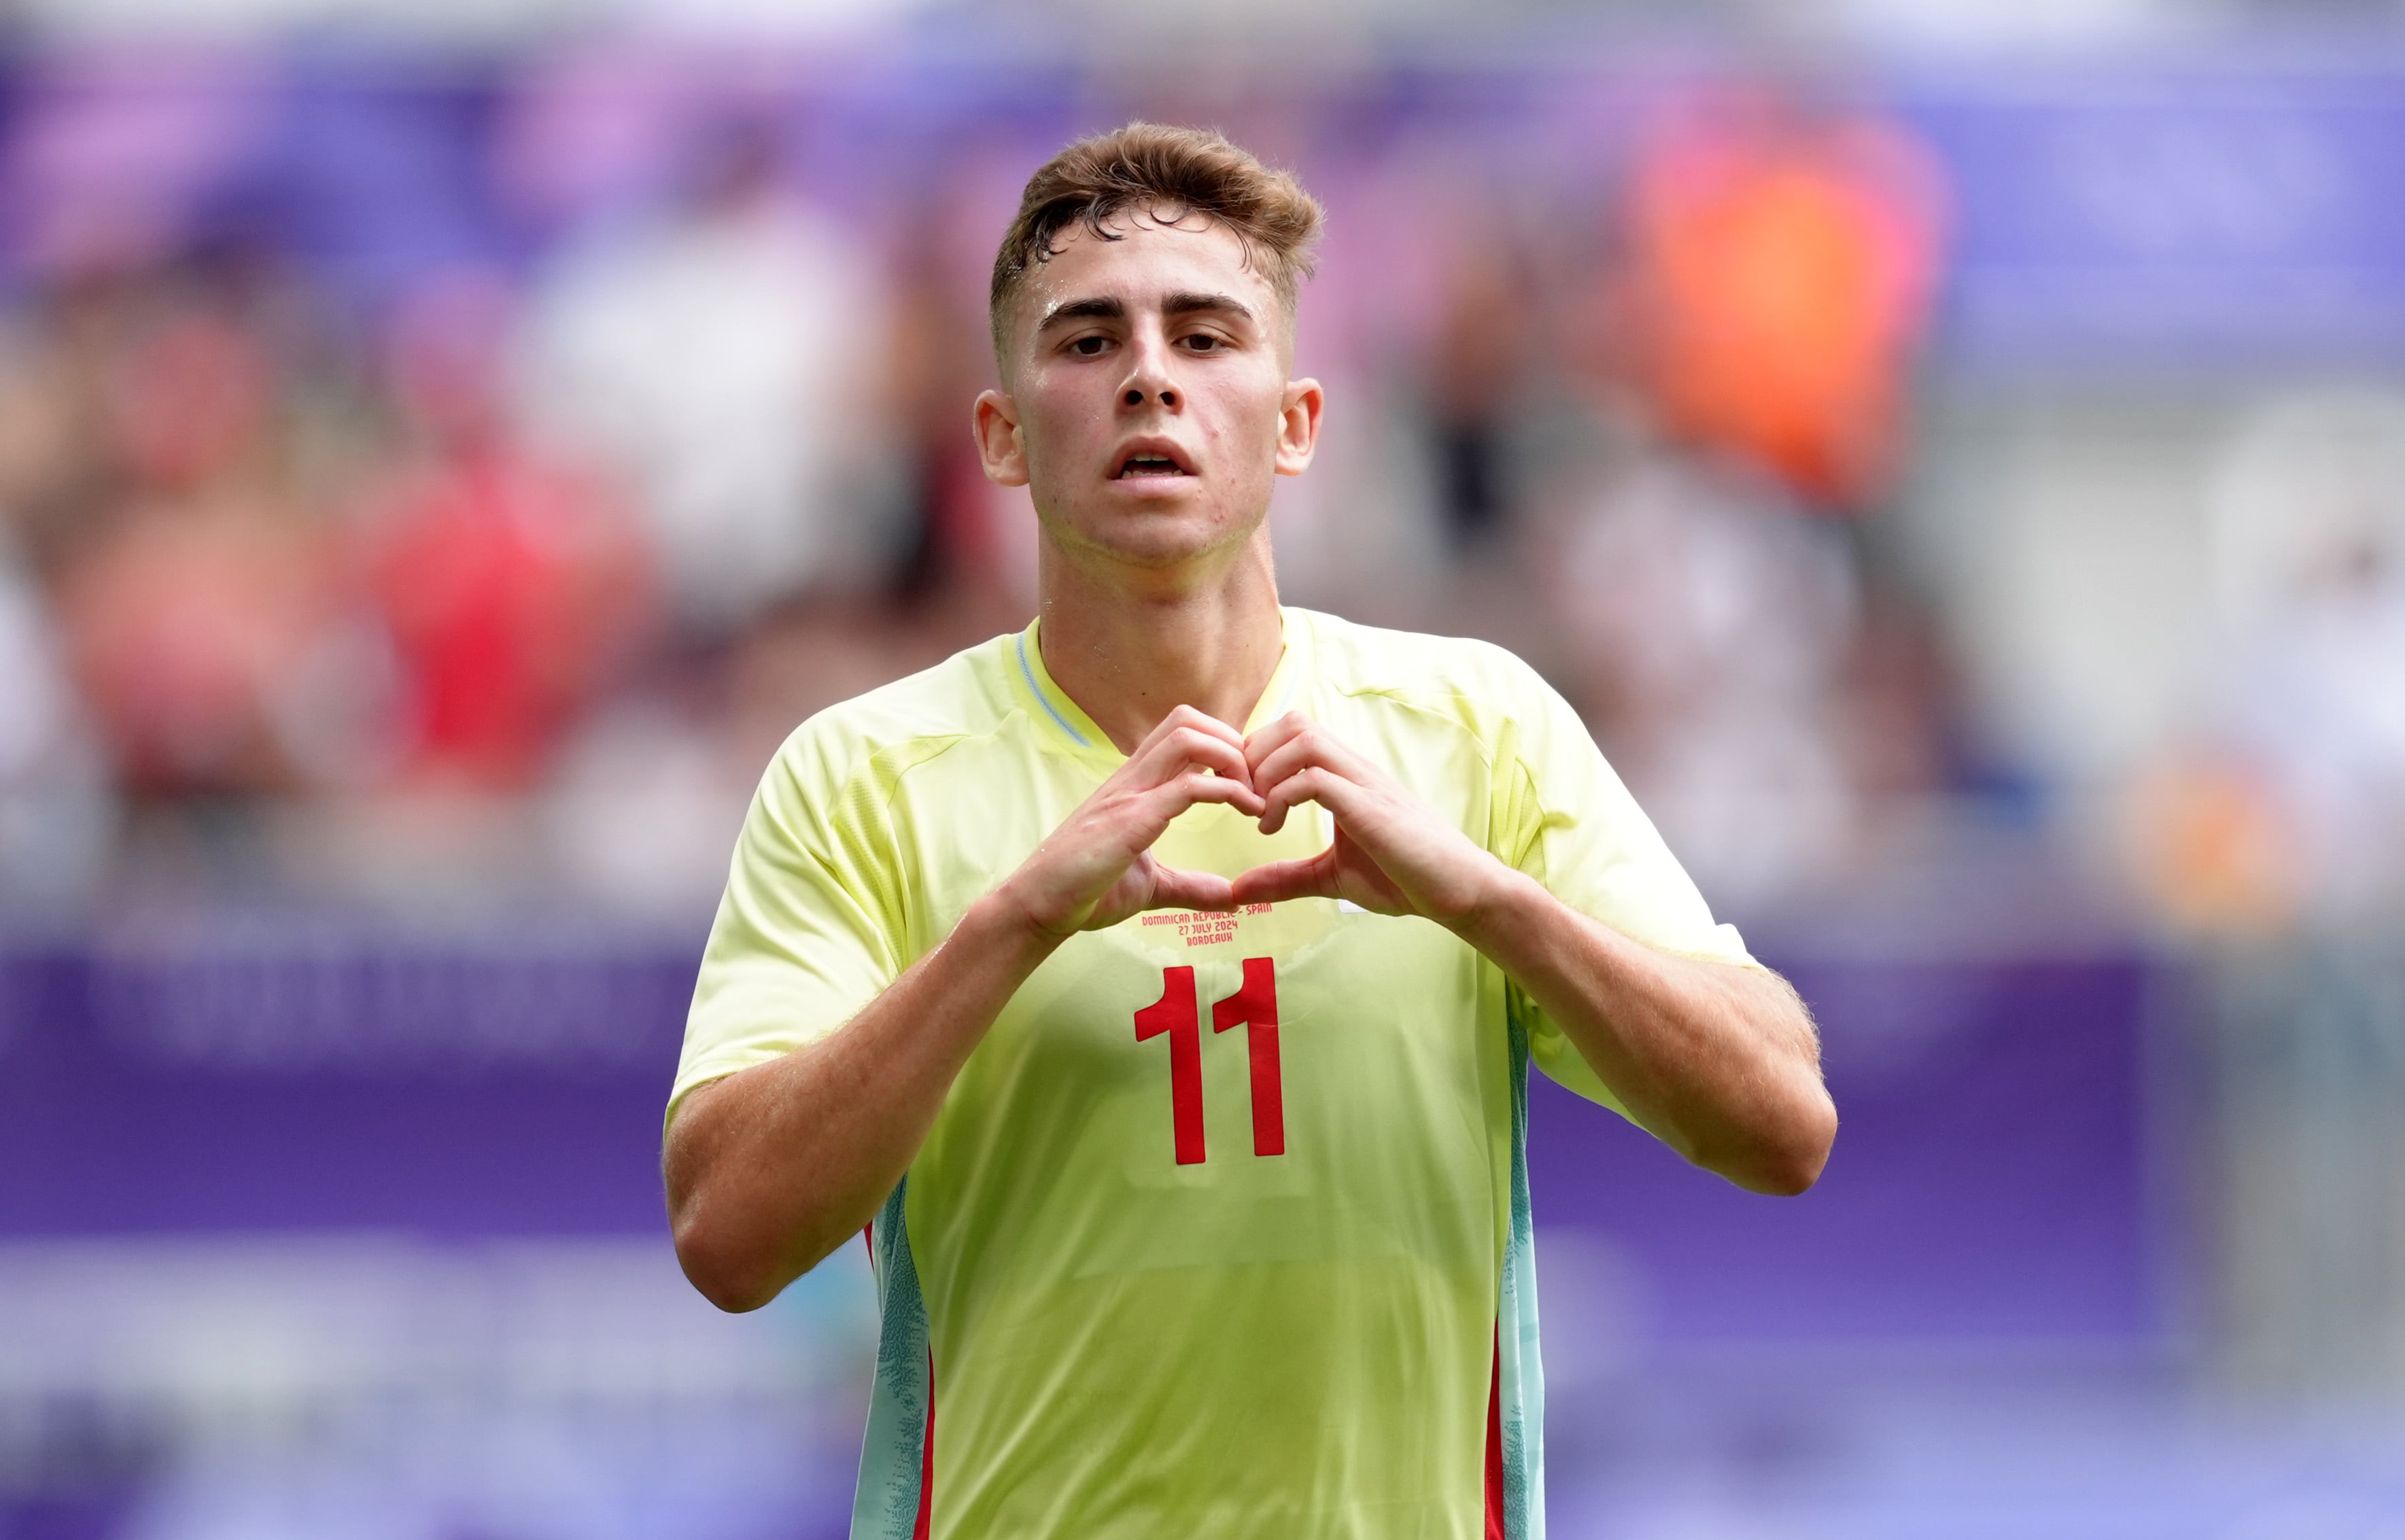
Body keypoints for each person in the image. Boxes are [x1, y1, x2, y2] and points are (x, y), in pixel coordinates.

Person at [663, 123, 1835, 1540]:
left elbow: (1781, 1123)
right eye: (1087, 340)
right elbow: (726, 1234)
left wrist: (1488, 901)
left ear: (1294, 422)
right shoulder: (860, 774)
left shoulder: (1477, 727)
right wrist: (1012, 920)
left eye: (1204, 333)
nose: (1148, 373)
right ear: (1001, 434)